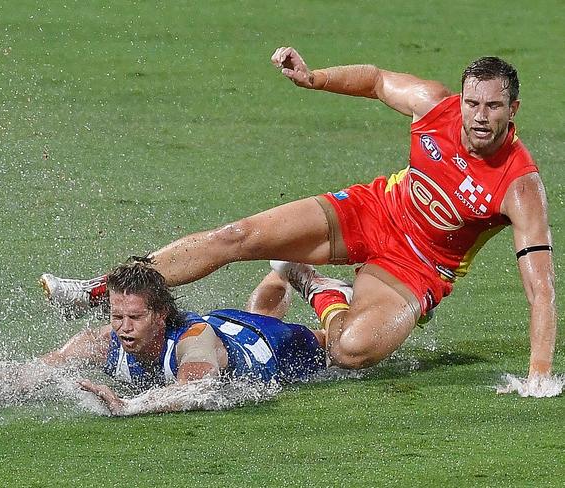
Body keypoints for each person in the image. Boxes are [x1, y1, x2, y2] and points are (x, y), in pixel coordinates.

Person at [41, 48, 557, 393]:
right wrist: (314, 80)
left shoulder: (520, 186)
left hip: (416, 269)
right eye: (472, 104)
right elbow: (377, 81)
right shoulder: (434, 106)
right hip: (370, 211)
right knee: (235, 237)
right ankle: (94, 290)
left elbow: (541, 291)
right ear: (461, 101)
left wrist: (538, 377)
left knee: (349, 353)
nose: (479, 117)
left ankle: (312, 283)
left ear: (513, 109)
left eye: (493, 107)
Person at [42, 260, 352, 415]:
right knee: (259, 312)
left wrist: (130, 405)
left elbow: (196, 387)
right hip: (228, 325)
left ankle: (324, 293)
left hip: (270, 346)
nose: (124, 327)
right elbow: (46, 365)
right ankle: (285, 271)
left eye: (135, 317)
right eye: (117, 316)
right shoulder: (105, 341)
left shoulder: (194, 340)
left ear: (160, 313)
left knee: (342, 348)